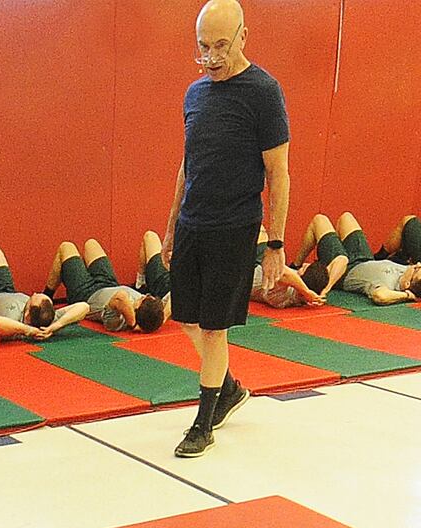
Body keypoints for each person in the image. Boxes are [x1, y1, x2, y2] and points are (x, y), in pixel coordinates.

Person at [163, 0, 290, 458]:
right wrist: (171, 226)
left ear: (243, 37)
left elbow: (278, 173)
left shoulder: (263, 91)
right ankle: (230, 389)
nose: (211, 57)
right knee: (186, 318)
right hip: (193, 222)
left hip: (234, 227)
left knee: (215, 329)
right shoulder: (194, 94)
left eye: (220, 46)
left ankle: (203, 422)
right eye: (202, 47)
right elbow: (186, 165)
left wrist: (275, 243)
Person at [321, 212, 421, 305]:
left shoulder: (387, 286)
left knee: (321, 221)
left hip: (345, 271)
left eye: (417, 269)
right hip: (365, 258)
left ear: (408, 283)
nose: (417, 264)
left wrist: (407, 295)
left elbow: (380, 296)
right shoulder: (416, 279)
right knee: (346, 218)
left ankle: (298, 264)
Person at [0, 246, 88, 340]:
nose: (33, 294)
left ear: (27, 315)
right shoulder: (49, 319)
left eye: (32, 298)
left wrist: (28, 330)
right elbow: (84, 307)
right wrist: (57, 326)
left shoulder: (15, 323)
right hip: (7, 289)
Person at [46, 236, 169, 332]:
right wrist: (161, 318)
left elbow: (121, 296)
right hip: (109, 283)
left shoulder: (117, 322)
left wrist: (133, 324)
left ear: (138, 309)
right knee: (91, 244)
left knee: (66, 247)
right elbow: (174, 296)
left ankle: (47, 296)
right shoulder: (151, 309)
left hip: (85, 292)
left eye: (143, 299)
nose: (143, 296)